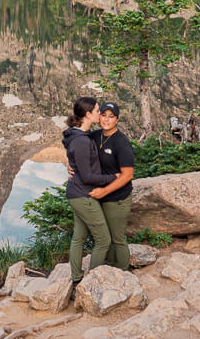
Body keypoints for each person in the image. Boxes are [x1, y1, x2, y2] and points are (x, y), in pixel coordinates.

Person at [62, 96, 118, 285]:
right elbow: (87, 176)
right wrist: (114, 177)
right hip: (83, 194)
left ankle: (77, 279)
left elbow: (75, 159)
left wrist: (70, 164)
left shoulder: (78, 135)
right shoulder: (82, 141)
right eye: (97, 111)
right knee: (103, 240)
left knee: (78, 238)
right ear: (87, 114)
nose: (100, 114)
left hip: (76, 192)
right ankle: (91, 283)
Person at [89, 102, 134, 270]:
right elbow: (77, 149)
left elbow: (128, 175)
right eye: (103, 115)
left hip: (117, 198)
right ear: (99, 116)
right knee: (103, 238)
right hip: (100, 196)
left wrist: (104, 191)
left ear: (117, 120)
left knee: (117, 239)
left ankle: (123, 273)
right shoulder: (95, 136)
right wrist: (71, 165)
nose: (106, 119)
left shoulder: (121, 143)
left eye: (111, 116)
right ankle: (108, 269)